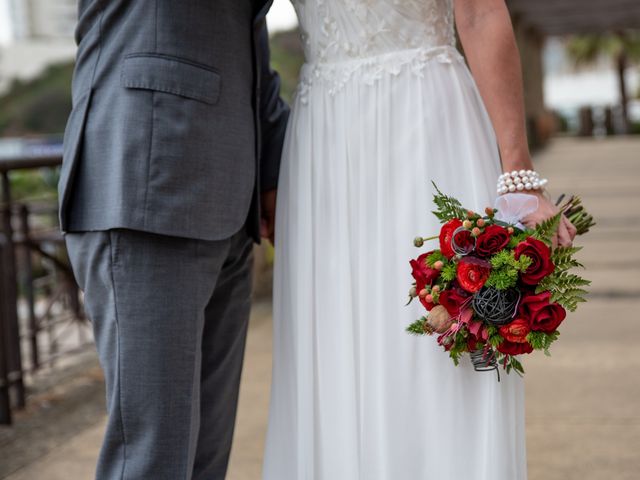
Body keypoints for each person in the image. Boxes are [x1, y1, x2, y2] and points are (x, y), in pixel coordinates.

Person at [263, 1, 576, 479]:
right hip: (321, 140)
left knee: (437, 346)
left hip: (427, 122)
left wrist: (518, 173)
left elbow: (480, 12)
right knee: (331, 343)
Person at [58, 1, 288, 479]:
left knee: (205, 459)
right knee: (151, 461)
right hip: (147, 181)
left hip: (230, 195)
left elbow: (249, 35)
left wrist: (270, 168)